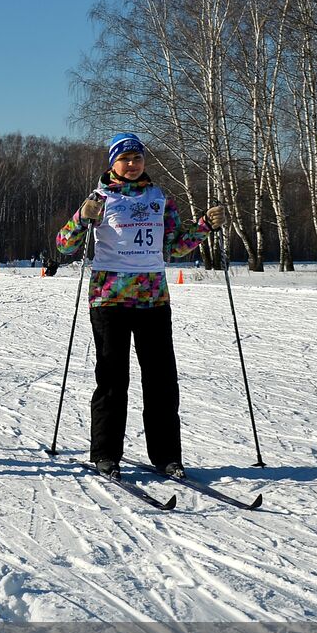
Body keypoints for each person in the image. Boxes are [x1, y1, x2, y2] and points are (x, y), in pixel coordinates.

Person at [50, 133, 225, 479]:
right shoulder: (100, 198)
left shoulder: (160, 198)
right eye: (125, 159)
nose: (132, 165)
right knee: (113, 380)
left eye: (137, 159)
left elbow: (174, 247)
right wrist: (80, 218)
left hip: (153, 300)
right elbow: (65, 246)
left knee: (161, 381)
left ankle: (167, 457)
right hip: (110, 298)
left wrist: (204, 226)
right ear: (112, 163)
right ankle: (105, 454)